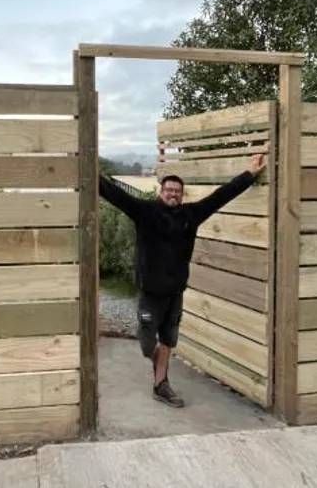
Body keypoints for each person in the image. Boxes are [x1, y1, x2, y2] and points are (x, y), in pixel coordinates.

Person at [98, 154, 266, 407]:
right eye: (169, 190)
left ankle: (161, 384)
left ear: (182, 194)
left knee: (168, 339)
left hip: (175, 292)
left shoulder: (191, 215)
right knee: (147, 345)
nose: (173, 194)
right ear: (161, 192)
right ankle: (158, 363)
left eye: (177, 191)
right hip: (150, 292)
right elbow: (114, 194)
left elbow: (222, 195)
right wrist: (89, 172)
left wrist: (249, 175)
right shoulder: (145, 212)